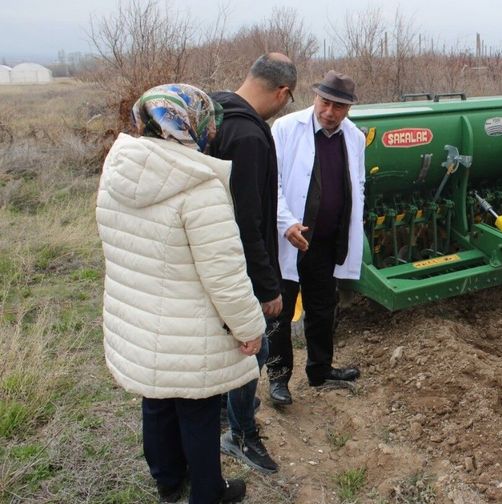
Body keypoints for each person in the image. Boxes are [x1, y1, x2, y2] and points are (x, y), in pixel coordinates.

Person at [96, 83, 265, 503]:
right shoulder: (198, 186)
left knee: (156, 401)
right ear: (192, 123)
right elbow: (224, 274)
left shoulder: (119, 171)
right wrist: (250, 327)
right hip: (189, 328)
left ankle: (168, 480)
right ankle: (209, 492)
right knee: (198, 409)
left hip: (138, 317)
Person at [209, 52, 297, 475]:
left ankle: (227, 412)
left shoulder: (214, 109)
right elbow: (249, 219)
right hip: (236, 263)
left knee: (229, 346)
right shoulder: (248, 136)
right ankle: (240, 432)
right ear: (282, 92)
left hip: (209, 257)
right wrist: (268, 287)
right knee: (253, 350)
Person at [268, 70, 366, 401]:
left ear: (348, 108)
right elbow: (273, 184)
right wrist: (286, 223)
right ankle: (279, 378)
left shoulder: (353, 137)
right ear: (315, 98)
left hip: (326, 240)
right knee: (280, 310)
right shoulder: (285, 129)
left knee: (323, 306)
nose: (329, 112)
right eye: (325, 102)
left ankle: (320, 370)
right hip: (290, 238)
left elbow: (358, 184)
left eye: (339, 107)